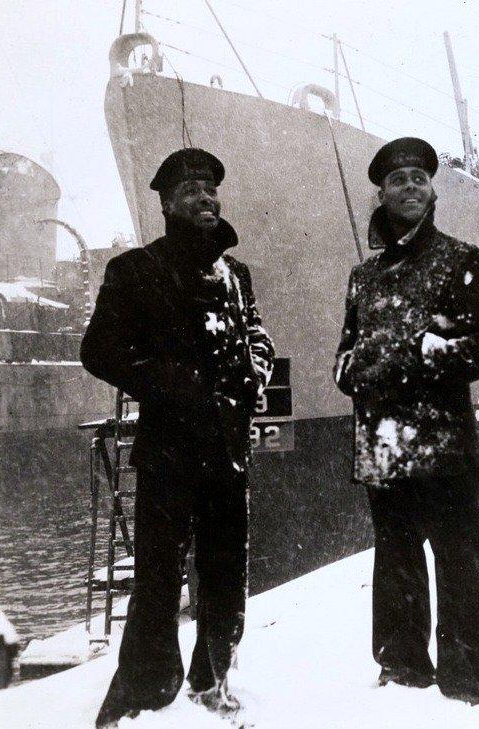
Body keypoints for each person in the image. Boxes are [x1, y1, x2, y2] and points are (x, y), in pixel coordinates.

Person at [80, 148, 275, 727]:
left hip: (227, 450)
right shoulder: (134, 270)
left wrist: (254, 372)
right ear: (167, 203)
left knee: (224, 573)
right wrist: (170, 384)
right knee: (159, 574)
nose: (205, 199)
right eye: (191, 190)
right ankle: (143, 692)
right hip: (168, 451)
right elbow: (99, 351)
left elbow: (258, 337)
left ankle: (211, 680)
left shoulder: (235, 275)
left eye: (211, 189)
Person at [333, 137, 479, 705]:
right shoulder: (364, 277)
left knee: (459, 560)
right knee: (396, 561)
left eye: (419, 177)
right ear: (382, 194)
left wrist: (431, 354)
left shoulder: (463, 260)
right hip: (383, 443)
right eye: (398, 180)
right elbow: (345, 355)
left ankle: (474, 681)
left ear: (432, 189)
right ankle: (402, 669)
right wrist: (354, 369)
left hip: (441, 442)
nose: (410, 187)